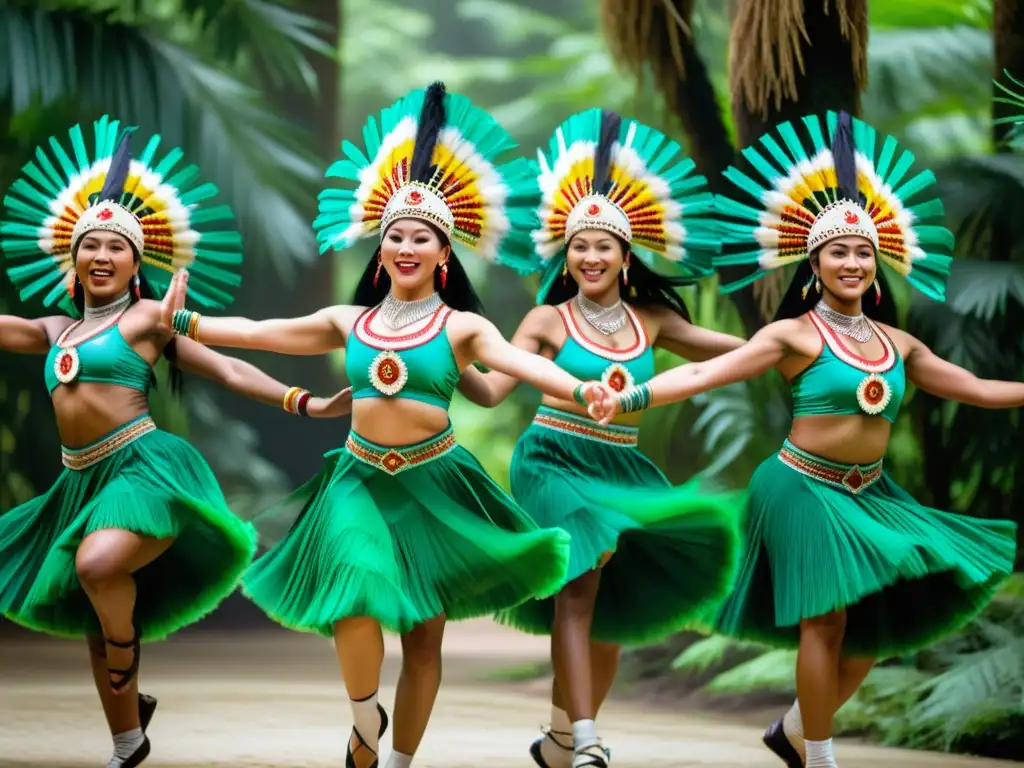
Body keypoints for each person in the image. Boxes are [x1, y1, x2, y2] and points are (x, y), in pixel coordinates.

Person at [163, 82, 615, 768]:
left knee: (426, 636)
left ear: (444, 255)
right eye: (395, 235)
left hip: (435, 482)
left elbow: (516, 368)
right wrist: (186, 320)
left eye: (422, 237)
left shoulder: (463, 327)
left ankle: (396, 760)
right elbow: (263, 332)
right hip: (358, 478)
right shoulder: (351, 322)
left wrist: (582, 387)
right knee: (357, 590)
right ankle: (362, 715)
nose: (406, 244)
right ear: (380, 252)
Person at [587, 110, 1020, 768]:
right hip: (801, 487)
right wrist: (628, 396)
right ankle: (820, 757)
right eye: (837, 252)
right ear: (815, 266)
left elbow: (977, 388)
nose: (851, 261)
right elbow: (706, 370)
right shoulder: (793, 335)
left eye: (862, 253)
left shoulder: (899, 345)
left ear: (879, 268)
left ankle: (794, 729)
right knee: (827, 620)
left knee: (869, 632)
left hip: (871, 495)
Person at [0, 118, 352, 768]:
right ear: (72, 260)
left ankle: (124, 664)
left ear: (137, 264)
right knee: (90, 605)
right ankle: (128, 738)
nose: (102, 256)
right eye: (90, 246)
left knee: (98, 567)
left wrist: (307, 402)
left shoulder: (145, 320)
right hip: (78, 481)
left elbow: (228, 368)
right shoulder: (52, 330)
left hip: (144, 471)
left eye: (116, 247)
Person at [455, 107, 745, 768]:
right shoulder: (545, 319)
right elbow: (492, 389)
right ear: (567, 252)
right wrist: (445, 360)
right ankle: (588, 743)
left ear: (625, 254)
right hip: (552, 460)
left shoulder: (655, 319)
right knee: (580, 586)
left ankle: (560, 739)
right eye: (579, 245)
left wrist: (802, 344)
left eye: (602, 246)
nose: (589, 256)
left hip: (621, 466)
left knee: (608, 616)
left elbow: (736, 354)